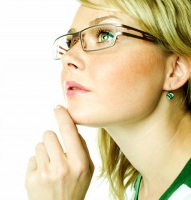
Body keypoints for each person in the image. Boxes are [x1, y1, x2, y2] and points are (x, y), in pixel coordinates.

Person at [25, 0, 191, 199]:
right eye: (71, 42)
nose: (68, 57)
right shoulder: (141, 189)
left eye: (105, 35)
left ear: (174, 70)